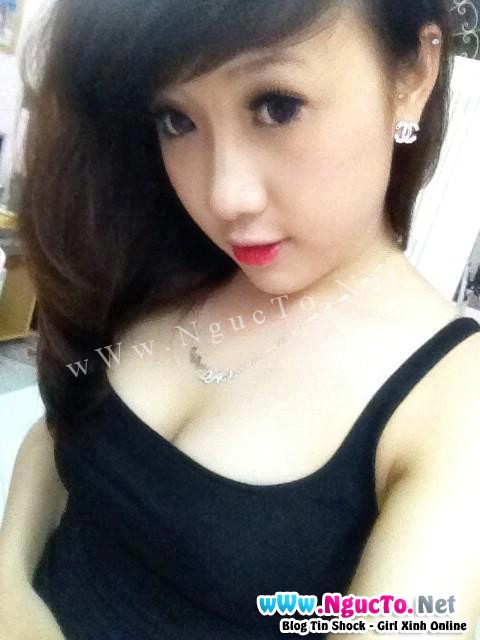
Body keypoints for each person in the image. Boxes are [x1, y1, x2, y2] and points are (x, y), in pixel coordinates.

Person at [1, 1, 479, 638]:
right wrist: (8, 576)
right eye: (176, 120)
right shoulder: (163, 263)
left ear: (414, 75)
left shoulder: (455, 402)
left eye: (277, 106)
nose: (223, 196)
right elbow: (63, 429)